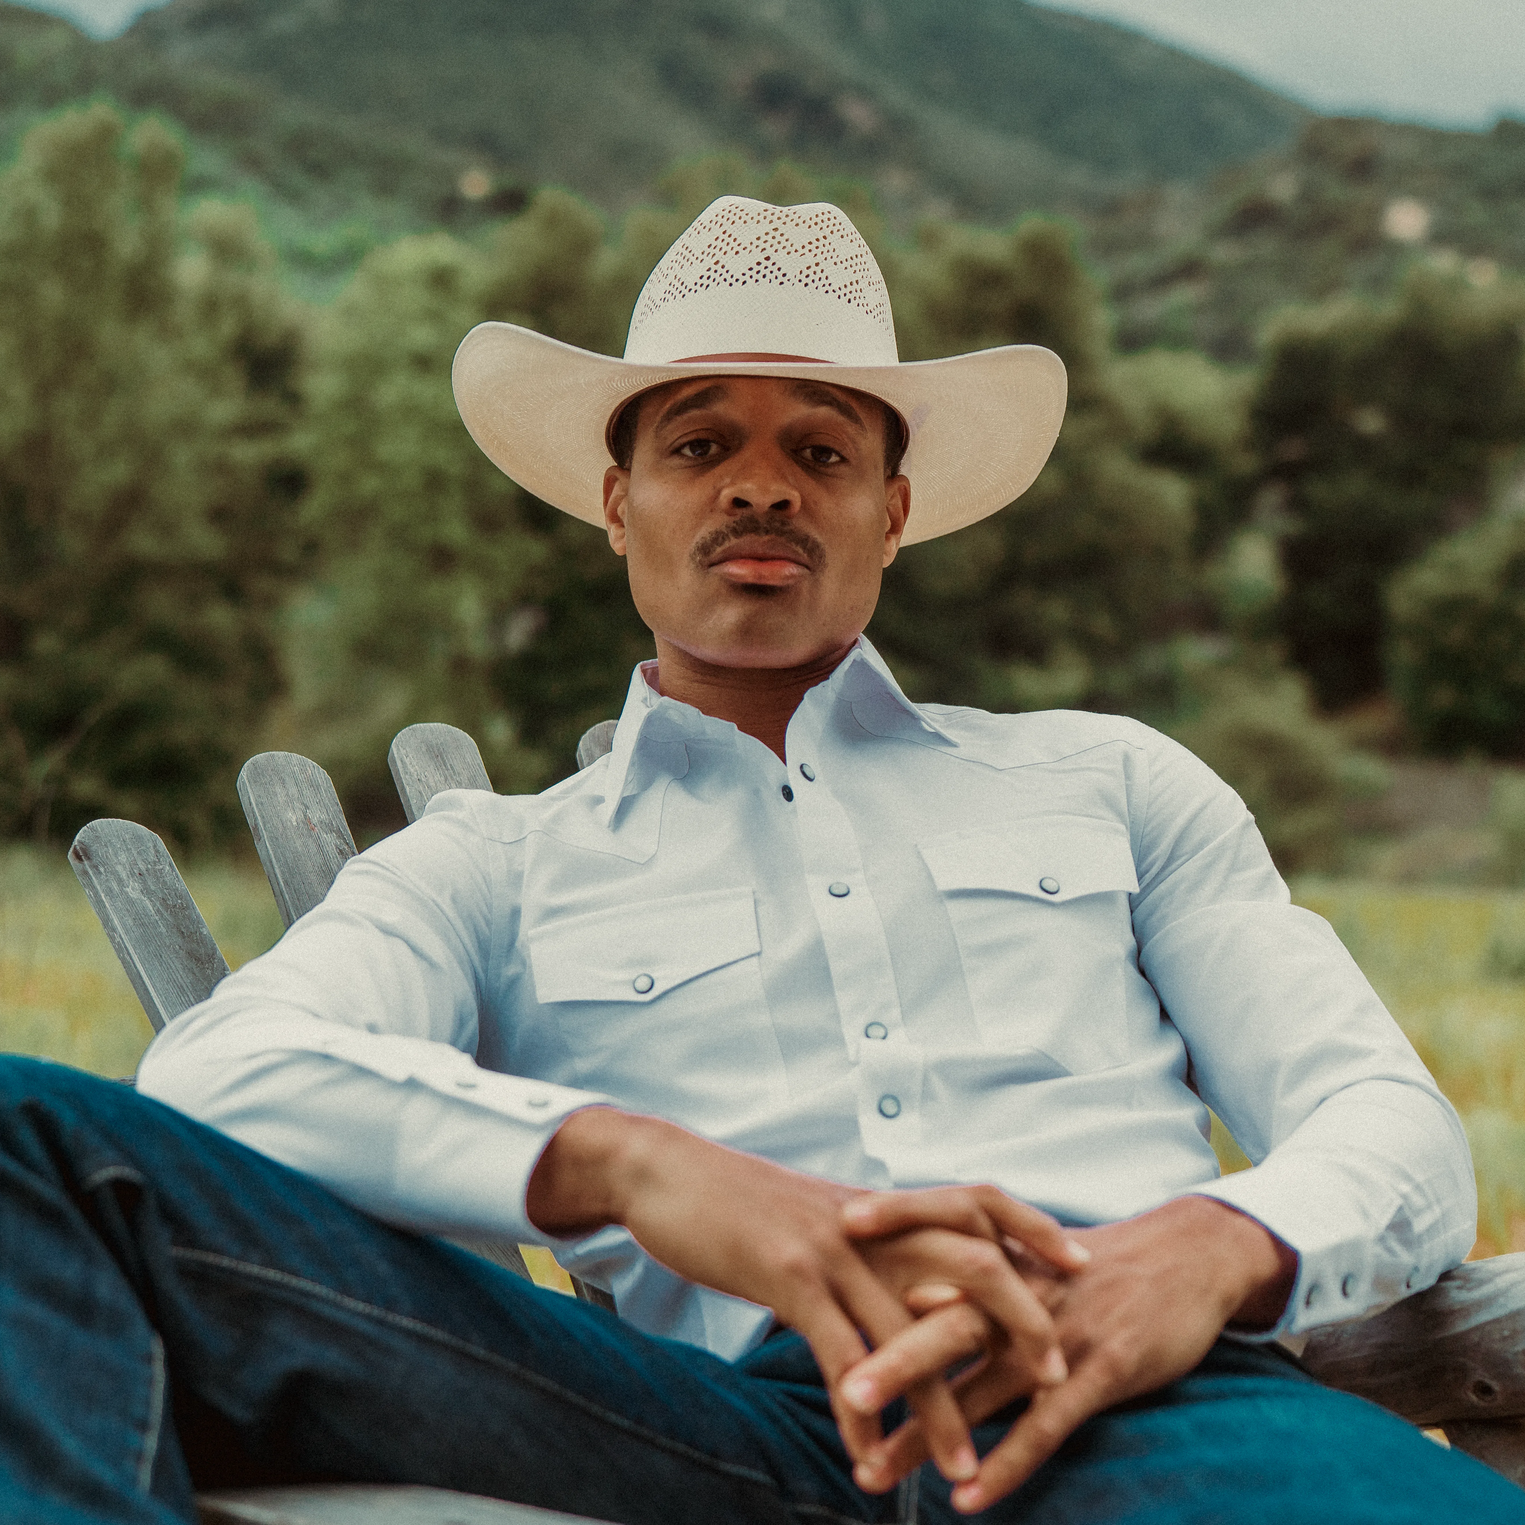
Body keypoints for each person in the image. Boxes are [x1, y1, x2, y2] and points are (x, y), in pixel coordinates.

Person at [0, 197, 1516, 1525]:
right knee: (24, 1139)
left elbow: (1391, 1126)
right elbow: (221, 1073)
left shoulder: (1108, 781)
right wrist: (644, 1170)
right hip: (701, 1435)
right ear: (620, 504)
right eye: (701, 443)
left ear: (892, 511)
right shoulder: (494, 862)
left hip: (1120, 1389)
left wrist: (1210, 1249)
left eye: (821, 449)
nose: (763, 486)